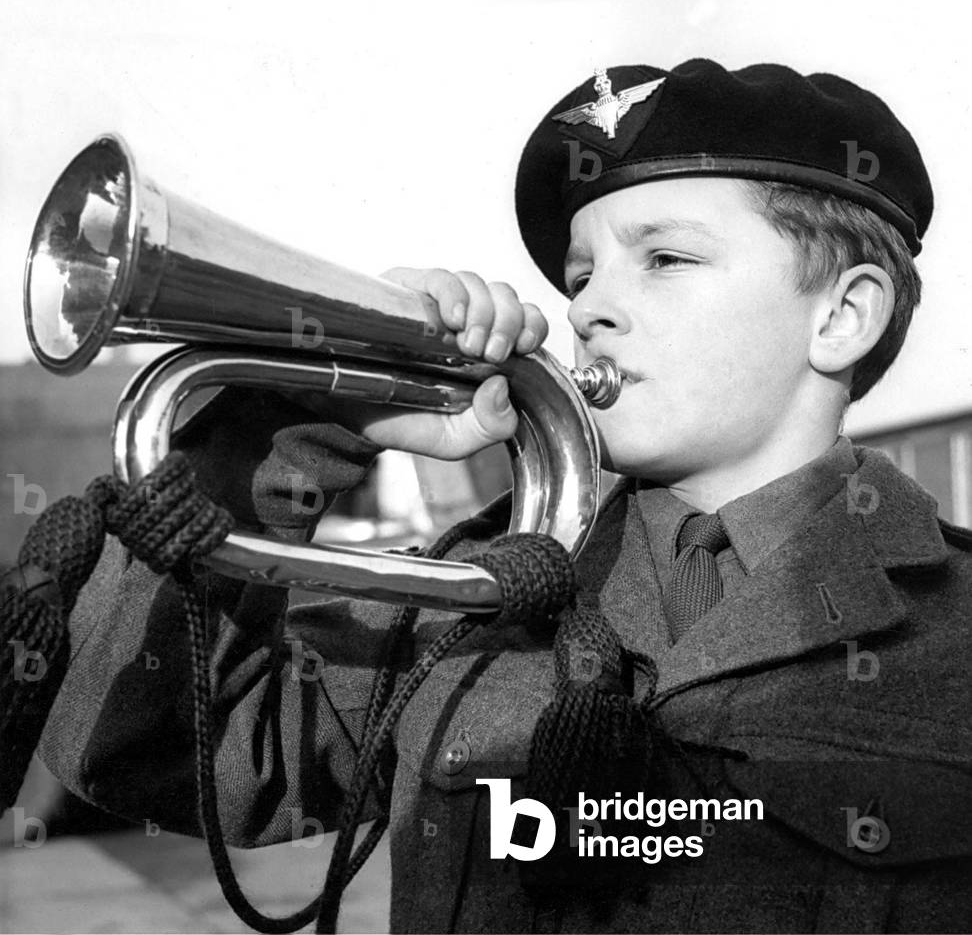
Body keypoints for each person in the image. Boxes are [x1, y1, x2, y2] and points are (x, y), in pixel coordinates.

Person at [38, 59, 972, 933]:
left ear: (843, 317)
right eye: (580, 274)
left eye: (665, 260)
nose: (586, 310)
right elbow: (143, 755)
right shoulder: (475, 587)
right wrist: (294, 417)